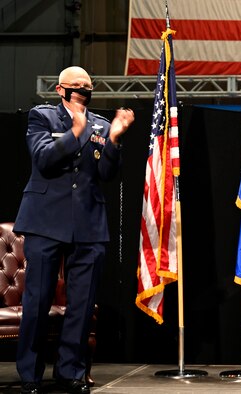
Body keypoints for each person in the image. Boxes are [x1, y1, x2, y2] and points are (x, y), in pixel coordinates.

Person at [13, 66, 134, 394]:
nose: (82, 91)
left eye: (87, 87)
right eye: (76, 86)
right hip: (45, 221)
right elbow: (43, 159)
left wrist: (114, 139)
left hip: (88, 223)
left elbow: (107, 172)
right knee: (37, 301)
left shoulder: (101, 125)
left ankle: (70, 372)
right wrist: (74, 133)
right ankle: (30, 375)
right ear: (59, 89)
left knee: (82, 305)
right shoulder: (42, 117)